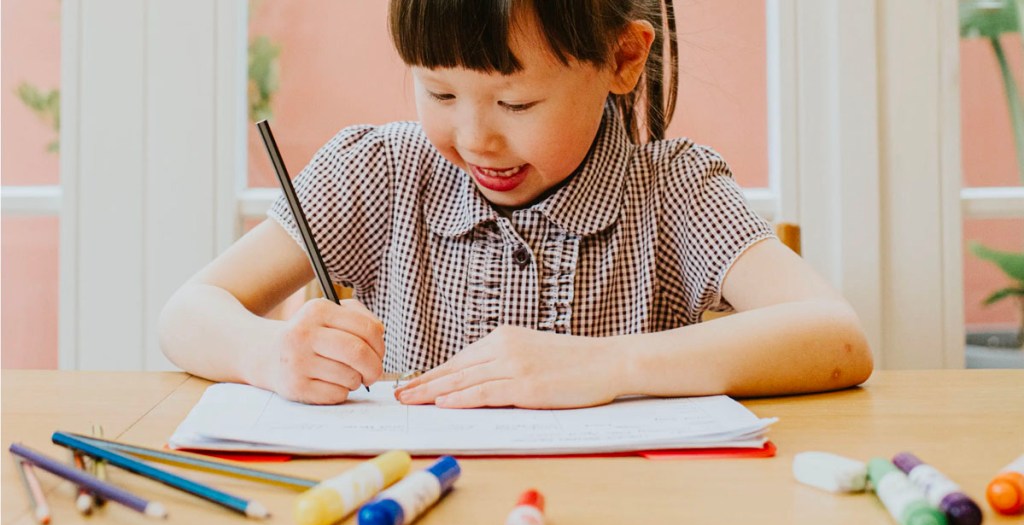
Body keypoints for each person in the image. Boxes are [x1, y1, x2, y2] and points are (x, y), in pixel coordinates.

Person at [159, 0, 873, 409]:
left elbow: (836, 336)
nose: (475, 139)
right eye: (439, 93)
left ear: (623, 60)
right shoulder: (377, 172)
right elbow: (187, 314)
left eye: (516, 101)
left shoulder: (673, 191)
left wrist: (609, 366)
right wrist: (267, 353)